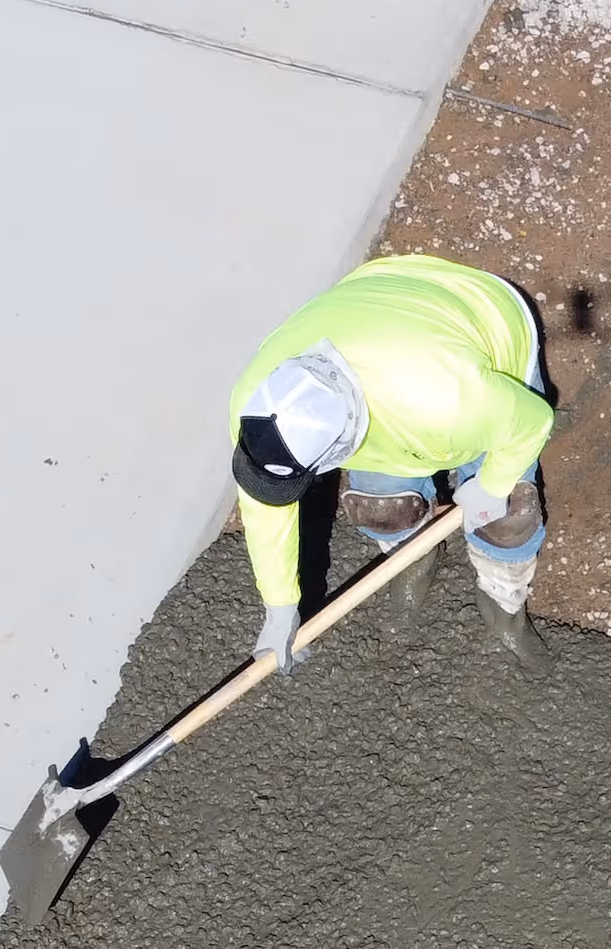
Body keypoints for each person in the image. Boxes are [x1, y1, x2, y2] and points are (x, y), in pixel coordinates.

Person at [230, 254, 560, 671]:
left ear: (343, 439)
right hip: (375, 307)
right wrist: (279, 607)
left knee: (508, 516)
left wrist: (493, 486)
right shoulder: (257, 405)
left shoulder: (449, 399)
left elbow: (530, 423)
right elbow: (264, 508)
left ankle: (503, 604)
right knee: (382, 509)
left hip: (483, 326)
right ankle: (413, 558)